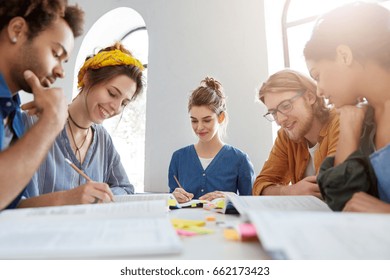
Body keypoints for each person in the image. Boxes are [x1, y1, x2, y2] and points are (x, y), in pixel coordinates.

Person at [18, 42, 145, 207]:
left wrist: (99, 195)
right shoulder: (32, 122)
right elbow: (8, 202)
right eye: (112, 93)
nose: (116, 107)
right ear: (87, 78)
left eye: (124, 103)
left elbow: (126, 188)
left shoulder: (102, 139)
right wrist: (67, 199)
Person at [304, 1, 390, 213]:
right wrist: (349, 131)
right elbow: (340, 200)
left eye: (318, 76)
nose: (319, 91)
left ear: (344, 55)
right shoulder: (364, 119)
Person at [0, 0, 84, 210]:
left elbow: (8, 203)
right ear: (17, 30)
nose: (61, 72)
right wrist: (51, 121)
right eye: (56, 54)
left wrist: (67, 199)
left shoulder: (14, 113)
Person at [252, 69, 339, 198]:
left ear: (310, 97)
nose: (280, 120)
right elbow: (260, 185)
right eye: (274, 113)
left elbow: (332, 181)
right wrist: (290, 191)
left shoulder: (339, 120)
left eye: (286, 106)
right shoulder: (286, 136)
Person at [168, 77, 254, 203]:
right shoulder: (178, 158)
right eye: (194, 120)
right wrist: (173, 198)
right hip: (186, 223)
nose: (199, 127)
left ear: (221, 117)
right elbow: (171, 205)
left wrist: (230, 199)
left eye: (207, 120)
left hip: (226, 223)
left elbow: (251, 204)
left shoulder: (240, 160)